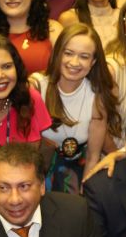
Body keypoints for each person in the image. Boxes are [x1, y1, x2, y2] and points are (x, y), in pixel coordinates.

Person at [32, 23, 119, 194]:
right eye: (68, 53)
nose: (74, 62)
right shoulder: (37, 87)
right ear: (58, 53)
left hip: (78, 170)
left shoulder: (97, 95)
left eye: (84, 56)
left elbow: (93, 156)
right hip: (39, 171)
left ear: (93, 62)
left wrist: (83, 195)